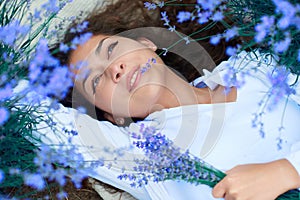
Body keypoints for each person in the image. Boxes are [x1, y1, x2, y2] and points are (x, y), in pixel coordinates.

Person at [46, 0, 300, 199]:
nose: (115, 69)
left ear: (145, 42)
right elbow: (37, 119)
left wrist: (288, 171)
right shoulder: (141, 154)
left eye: (111, 50)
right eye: (96, 81)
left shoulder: (254, 66)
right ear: (111, 115)